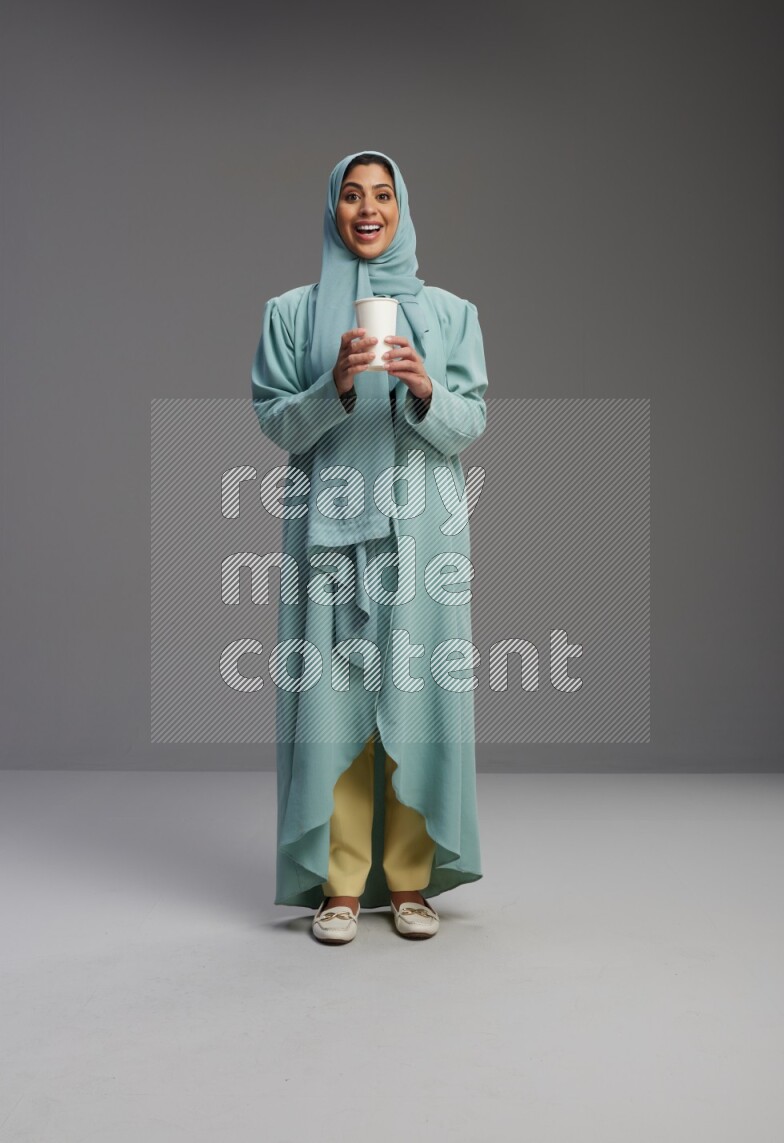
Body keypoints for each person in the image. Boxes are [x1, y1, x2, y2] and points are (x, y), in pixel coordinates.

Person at [250, 149, 489, 943]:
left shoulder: (451, 314)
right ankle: (343, 884)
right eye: (351, 195)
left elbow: (471, 424)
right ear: (333, 208)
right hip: (328, 532)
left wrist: (426, 388)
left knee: (418, 702)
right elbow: (278, 424)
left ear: (402, 207)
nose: (366, 208)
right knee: (334, 704)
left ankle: (412, 879)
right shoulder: (291, 313)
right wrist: (337, 388)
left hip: (423, 532)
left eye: (382, 195)